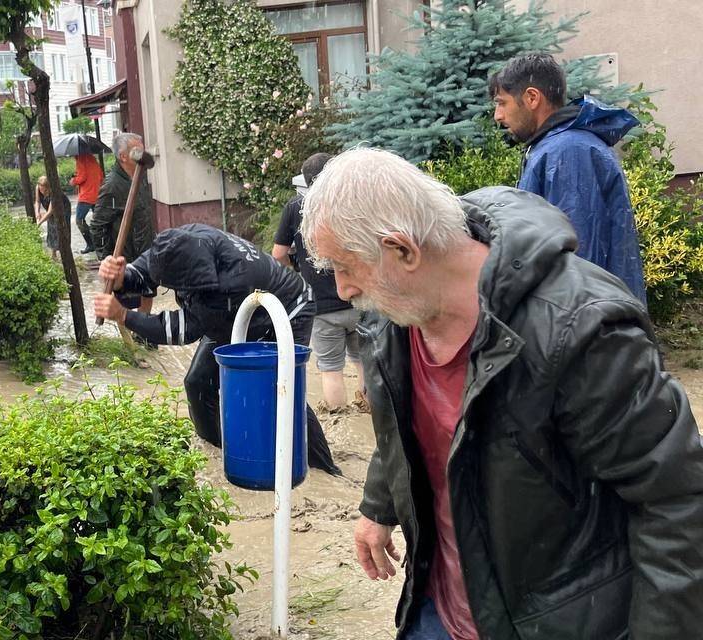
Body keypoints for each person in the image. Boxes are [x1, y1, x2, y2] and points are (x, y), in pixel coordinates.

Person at [301, 147, 703, 640]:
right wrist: (378, 507)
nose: (342, 290)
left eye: (345, 267)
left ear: (403, 250)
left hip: (556, 621)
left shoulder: (579, 330)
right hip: (437, 608)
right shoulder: (398, 312)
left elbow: (676, 502)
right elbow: (407, 424)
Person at [93, 223, 341, 476]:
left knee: (281, 387)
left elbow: (179, 330)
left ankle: (324, 468)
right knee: (197, 382)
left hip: (287, 309)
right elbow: (150, 267)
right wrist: (124, 276)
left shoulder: (225, 285)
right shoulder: (181, 240)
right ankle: (221, 450)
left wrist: (124, 315)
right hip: (234, 312)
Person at [490, 52, 645, 302]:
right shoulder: (553, 146)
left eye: (502, 102)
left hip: (586, 325)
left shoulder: (568, 151)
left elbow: (579, 257)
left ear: (531, 97)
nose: (497, 115)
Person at [273, 152, 366, 412]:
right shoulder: (353, 202)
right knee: (363, 361)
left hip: (322, 308)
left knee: (330, 369)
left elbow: (279, 254)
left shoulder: (295, 208)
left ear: (305, 180)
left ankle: (338, 414)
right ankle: (368, 406)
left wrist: (297, 271)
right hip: (359, 299)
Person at [89, 132, 156, 313]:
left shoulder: (139, 175)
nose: (142, 152)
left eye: (143, 148)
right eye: (137, 150)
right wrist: (106, 259)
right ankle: (133, 338)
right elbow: (97, 226)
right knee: (127, 304)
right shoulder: (112, 185)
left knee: (148, 295)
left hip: (145, 251)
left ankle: (145, 338)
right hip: (127, 255)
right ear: (123, 156)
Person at [70, 151, 103, 255]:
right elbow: (101, 176)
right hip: (96, 194)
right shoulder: (93, 160)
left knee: (79, 220)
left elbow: (82, 177)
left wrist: (74, 181)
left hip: (86, 196)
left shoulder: (81, 159)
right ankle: (100, 244)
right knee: (98, 221)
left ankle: (91, 244)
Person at [34, 175, 59, 259]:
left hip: (61, 208)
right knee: (51, 229)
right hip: (48, 208)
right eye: (41, 189)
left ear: (48, 187)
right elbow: (37, 201)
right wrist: (37, 212)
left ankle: (64, 253)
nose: (42, 192)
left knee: (60, 229)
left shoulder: (53, 192)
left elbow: (50, 212)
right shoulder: (38, 188)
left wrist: (40, 223)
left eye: (44, 190)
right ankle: (53, 254)